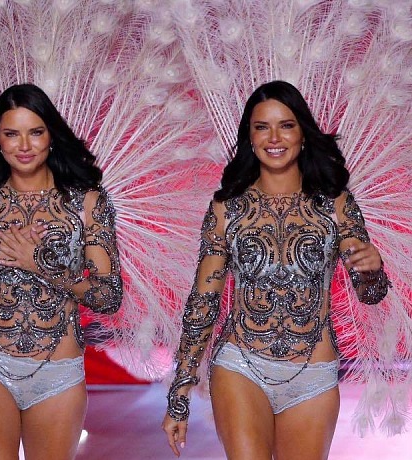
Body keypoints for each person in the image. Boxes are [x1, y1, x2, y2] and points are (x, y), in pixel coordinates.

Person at [161, 80, 390, 459]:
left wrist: (373, 269)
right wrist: (179, 393)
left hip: (313, 376)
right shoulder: (227, 209)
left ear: (303, 133)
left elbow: (370, 293)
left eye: (286, 125)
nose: (274, 138)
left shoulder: (335, 205)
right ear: (249, 137)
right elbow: (203, 302)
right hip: (240, 366)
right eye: (262, 127)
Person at [0, 83, 122, 459]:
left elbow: (108, 296)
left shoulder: (87, 203)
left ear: (51, 136)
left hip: (58, 372)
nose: (24, 145)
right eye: (12, 134)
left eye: (35, 132)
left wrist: (39, 263)